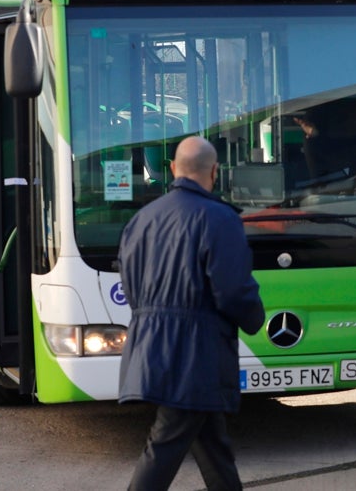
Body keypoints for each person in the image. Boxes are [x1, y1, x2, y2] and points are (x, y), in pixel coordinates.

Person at [117, 135, 266, 490]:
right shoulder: (220, 219)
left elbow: (130, 284)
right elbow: (232, 290)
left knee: (212, 445)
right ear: (215, 171)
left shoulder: (142, 219)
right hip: (196, 353)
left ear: (172, 169)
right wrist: (256, 318)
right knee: (166, 443)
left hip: (151, 346)